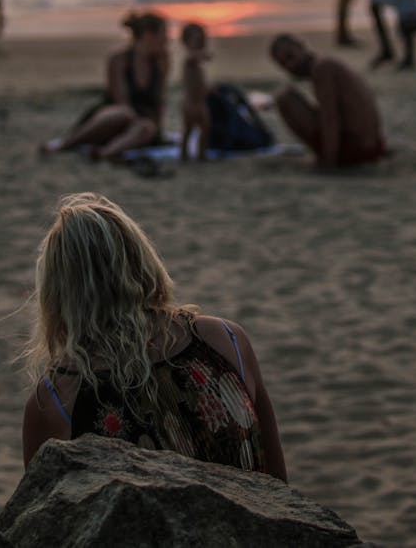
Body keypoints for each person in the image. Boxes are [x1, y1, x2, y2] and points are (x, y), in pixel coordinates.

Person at [22, 192, 287, 480]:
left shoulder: (59, 397)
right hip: (253, 525)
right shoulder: (226, 341)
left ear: (58, 294)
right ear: (142, 260)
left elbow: (46, 518)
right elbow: (279, 485)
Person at [39, 11, 170, 160]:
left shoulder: (161, 61)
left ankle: (103, 154)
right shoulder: (119, 60)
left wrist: (158, 130)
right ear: (148, 35)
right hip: (113, 117)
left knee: (146, 128)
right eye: (163, 35)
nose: (166, 40)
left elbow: (159, 99)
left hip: (141, 123)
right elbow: (120, 100)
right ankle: (64, 145)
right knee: (123, 114)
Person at [270, 34, 387, 170]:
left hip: (358, 150)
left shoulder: (322, 68)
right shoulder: (327, 65)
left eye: (291, 57)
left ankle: (324, 155)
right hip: (372, 146)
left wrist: (329, 162)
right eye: (283, 64)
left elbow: (330, 117)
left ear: (302, 47)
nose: (290, 65)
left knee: (285, 98)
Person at [180, 22, 211, 160]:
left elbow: (200, 83)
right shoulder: (189, 60)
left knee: (205, 128)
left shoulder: (197, 65)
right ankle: (184, 154)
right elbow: (193, 57)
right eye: (196, 40)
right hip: (190, 103)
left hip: (200, 102)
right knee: (188, 130)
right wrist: (203, 55)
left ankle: (201, 154)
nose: (200, 44)